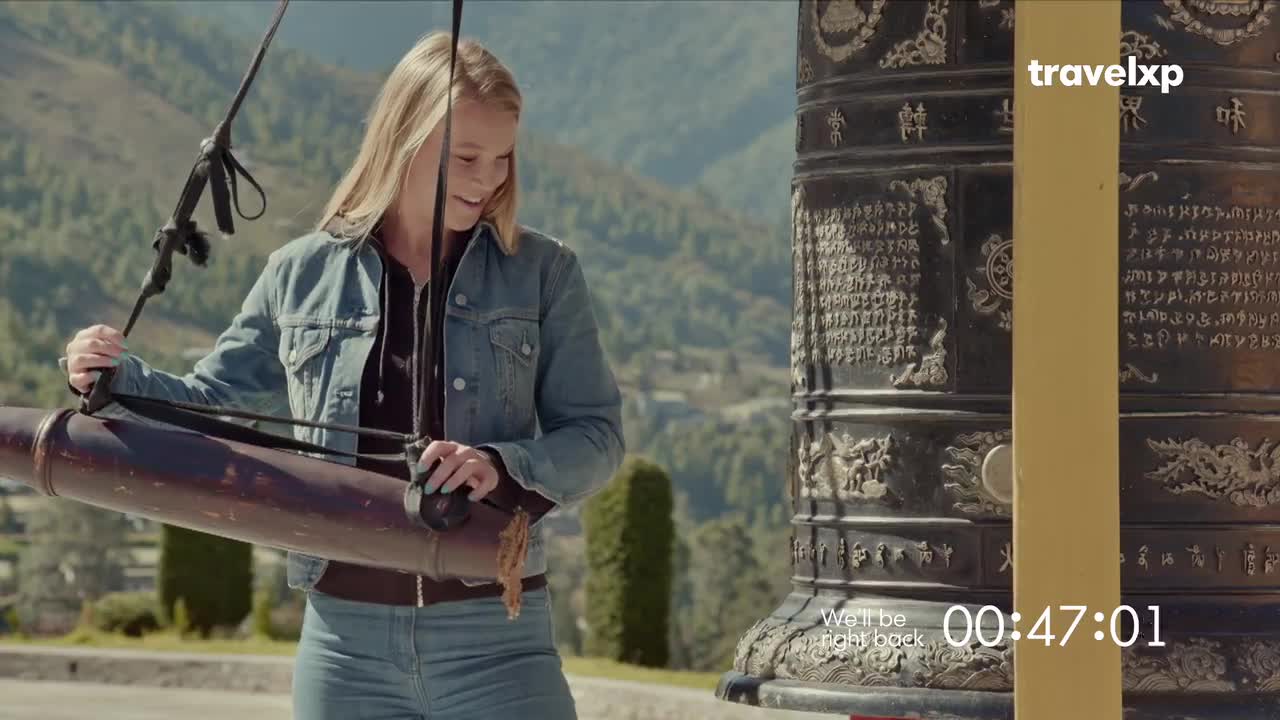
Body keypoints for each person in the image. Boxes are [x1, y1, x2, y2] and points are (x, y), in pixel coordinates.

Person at [60, 31, 623, 720]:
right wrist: (112, 376)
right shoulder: (301, 273)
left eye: (503, 159)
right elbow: (213, 405)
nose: (487, 179)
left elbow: (596, 435)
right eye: (465, 157)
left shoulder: (544, 272)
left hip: (497, 641)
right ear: (402, 141)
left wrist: (498, 467)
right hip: (343, 648)